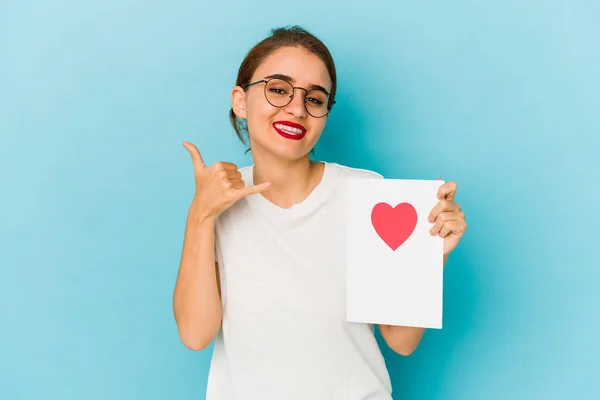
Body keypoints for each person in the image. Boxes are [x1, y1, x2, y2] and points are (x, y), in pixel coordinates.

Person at [173, 25, 467, 400]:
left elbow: (401, 341)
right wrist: (201, 214)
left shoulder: (368, 194)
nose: (296, 108)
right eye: (278, 89)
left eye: (314, 98)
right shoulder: (218, 202)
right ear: (241, 101)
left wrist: (430, 257)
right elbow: (195, 334)